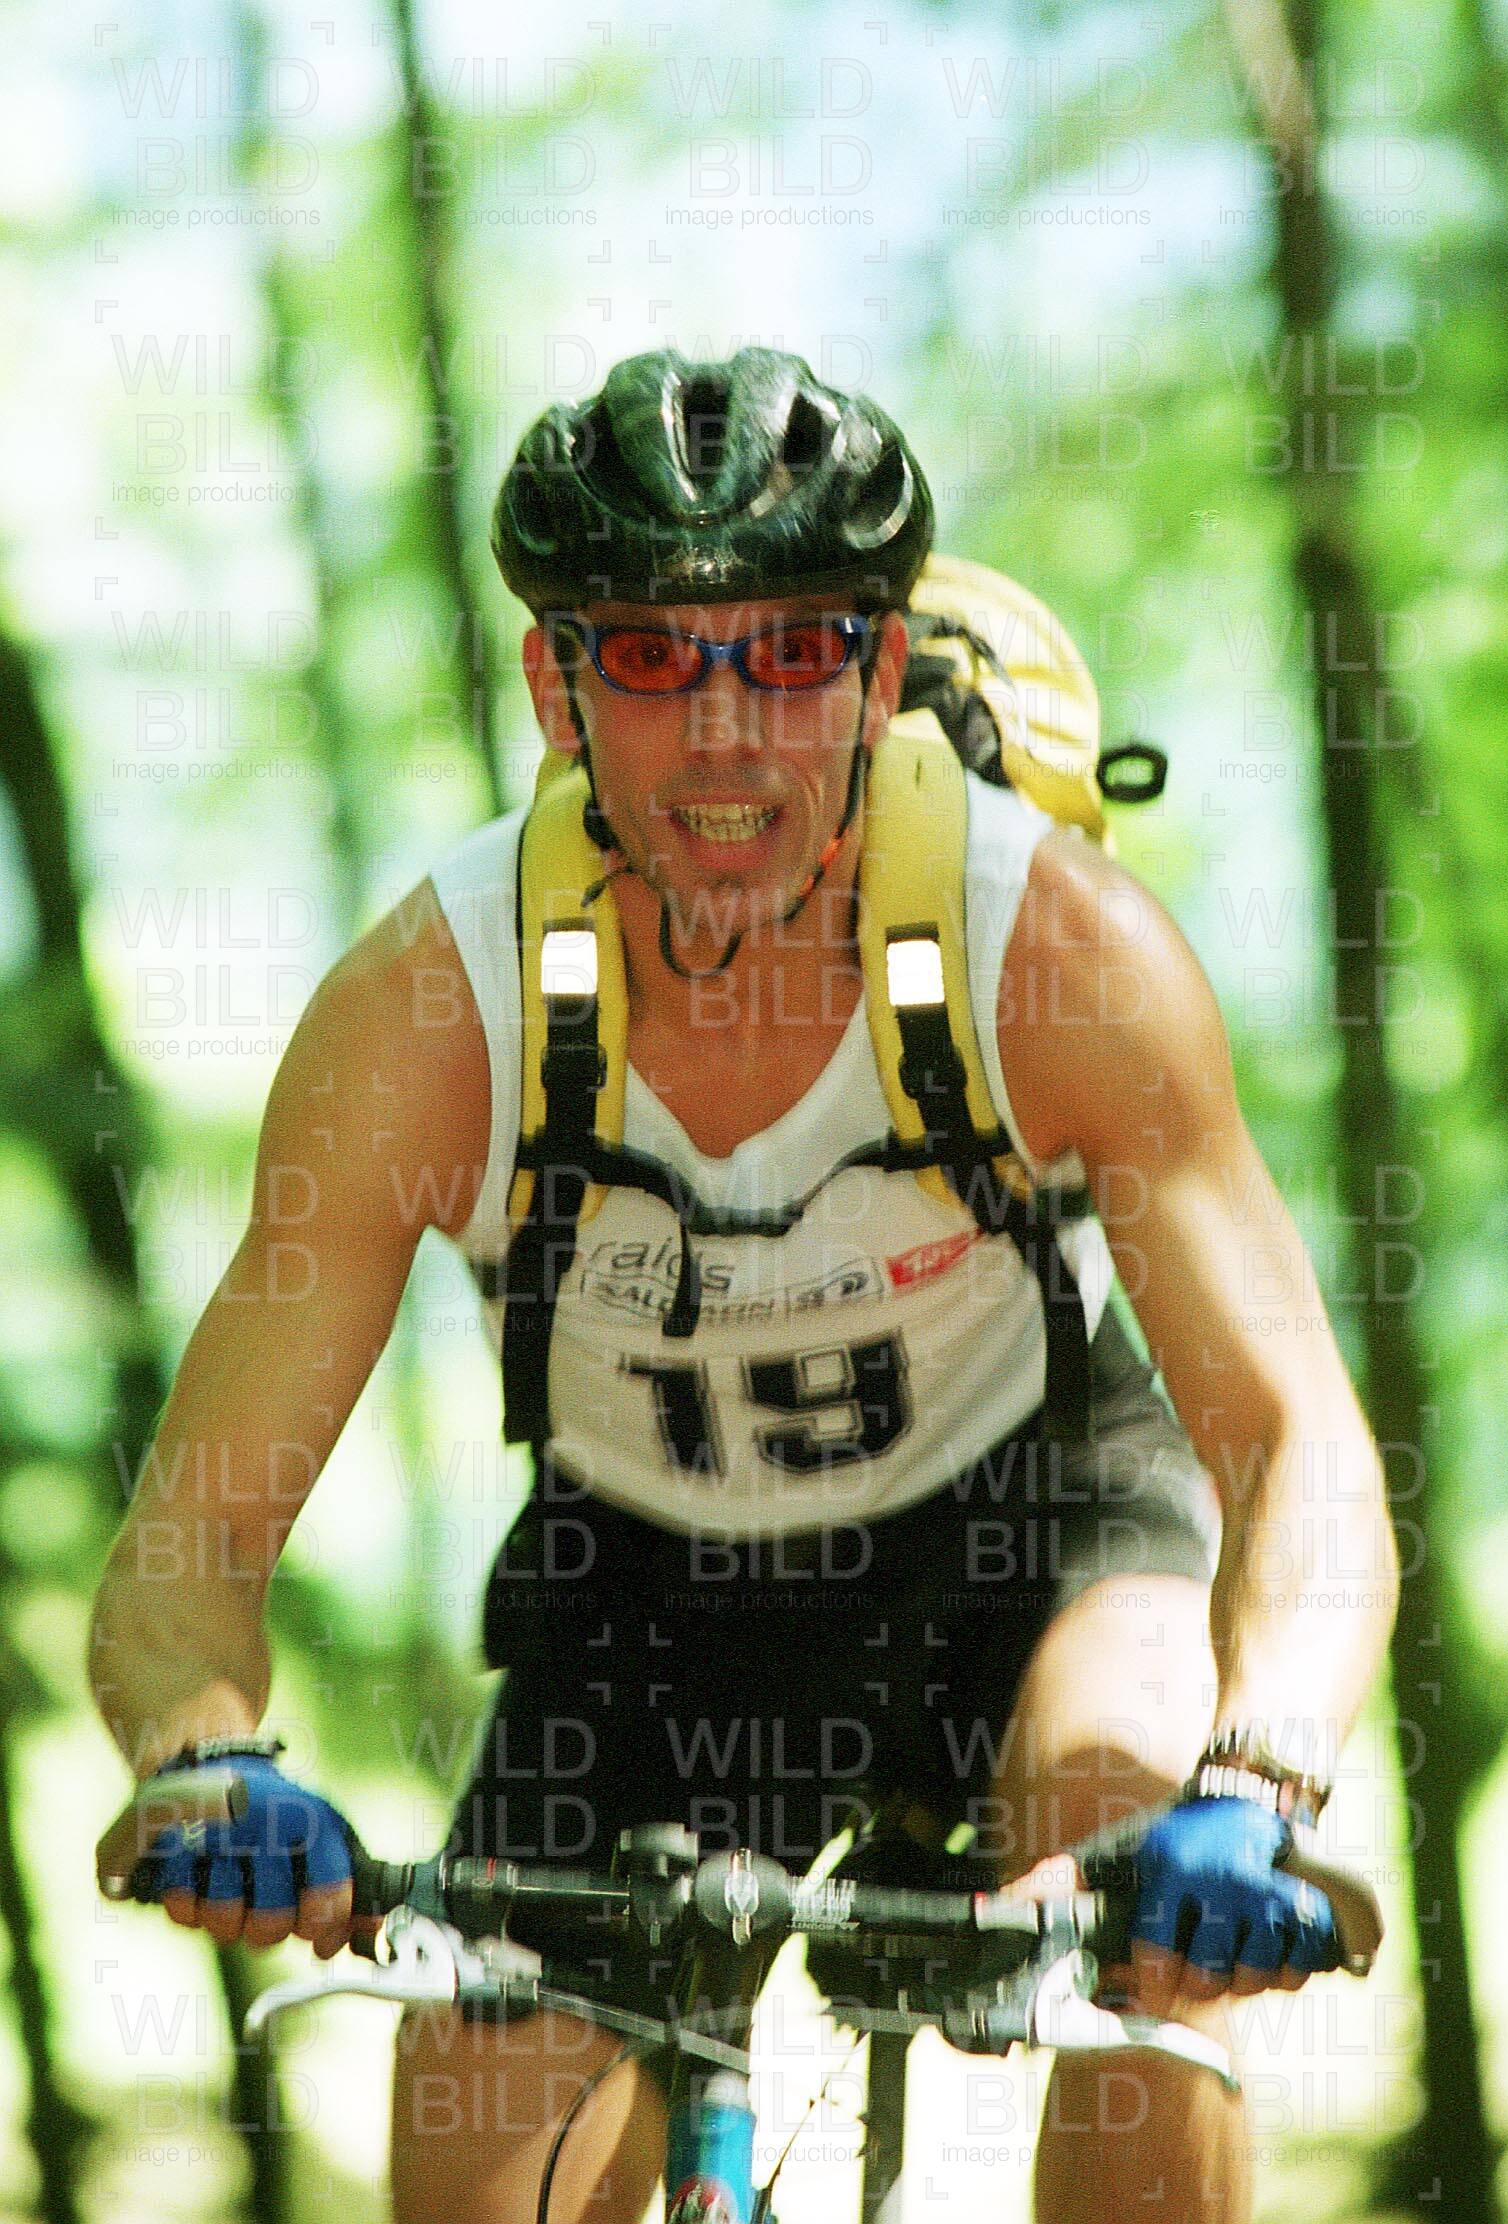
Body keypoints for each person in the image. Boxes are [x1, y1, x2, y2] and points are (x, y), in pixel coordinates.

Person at [88, 347, 1398, 2224]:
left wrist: (1257, 1785)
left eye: (790, 656)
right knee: (465, 2145)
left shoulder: (1057, 951)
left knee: (1142, 1915)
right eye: (649, 657)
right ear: (554, 689)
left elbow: (1296, 1450)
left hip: (1035, 1525)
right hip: (651, 1587)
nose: (724, 736)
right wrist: (207, 1758)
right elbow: (190, 1535)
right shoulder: (430, 1012)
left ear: (878, 672)